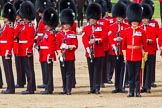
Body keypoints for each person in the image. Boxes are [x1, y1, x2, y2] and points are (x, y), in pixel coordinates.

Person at [122, 2, 146, 97]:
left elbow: (144, 45)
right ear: (131, 21)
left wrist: (145, 55)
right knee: (130, 75)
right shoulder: (126, 31)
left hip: (138, 55)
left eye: (136, 21)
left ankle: (138, 91)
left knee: (137, 75)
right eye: (133, 21)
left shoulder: (141, 31)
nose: (135, 22)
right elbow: (124, 45)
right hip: (129, 55)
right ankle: (131, 91)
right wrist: (124, 55)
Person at [82, 3, 105, 94]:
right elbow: (84, 39)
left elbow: (104, 37)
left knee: (97, 70)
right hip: (89, 52)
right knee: (91, 70)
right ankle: (92, 87)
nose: (92, 21)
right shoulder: (86, 29)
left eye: (94, 19)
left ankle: (97, 87)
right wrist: (87, 47)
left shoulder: (101, 28)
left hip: (99, 52)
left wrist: (96, 41)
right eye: (91, 19)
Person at [56, 9, 78, 95]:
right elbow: (57, 46)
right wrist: (60, 54)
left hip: (70, 56)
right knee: (63, 73)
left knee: (69, 73)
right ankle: (64, 88)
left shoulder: (72, 34)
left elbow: (75, 45)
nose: (66, 26)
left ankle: (68, 89)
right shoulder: (59, 34)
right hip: (62, 57)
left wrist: (68, 47)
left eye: (68, 24)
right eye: (65, 24)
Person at [109, 1, 129, 93]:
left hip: (123, 51)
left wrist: (122, 39)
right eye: (118, 17)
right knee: (116, 69)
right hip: (115, 50)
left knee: (123, 69)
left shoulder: (126, 26)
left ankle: (122, 86)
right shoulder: (112, 26)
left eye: (120, 17)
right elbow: (110, 37)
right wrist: (114, 43)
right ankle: (117, 86)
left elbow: (128, 37)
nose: (119, 18)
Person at [38, 7, 58, 94]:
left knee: (49, 73)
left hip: (48, 55)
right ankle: (48, 87)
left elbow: (52, 46)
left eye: (46, 24)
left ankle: (49, 88)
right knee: (46, 72)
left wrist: (50, 55)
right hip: (44, 54)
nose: (44, 26)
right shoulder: (46, 32)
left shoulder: (51, 33)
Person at [17, 0, 36, 94]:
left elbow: (30, 40)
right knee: (27, 69)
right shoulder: (24, 26)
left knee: (29, 70)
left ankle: (31, 88)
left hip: (26, 50)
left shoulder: (30, 26)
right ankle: (31, 87)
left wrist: (28, 50)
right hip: (22, 49)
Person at [35, 0, 53, 89]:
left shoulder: (43, 22)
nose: (38, 14)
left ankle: (47, 82)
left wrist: (38, 41)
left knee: (46, 65)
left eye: (40, 13)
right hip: (41, 45)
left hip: (44, 45)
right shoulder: (41, 21)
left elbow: (42, 35)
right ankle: (45, 81)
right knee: (43, 64)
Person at [140, 4, 157, 93]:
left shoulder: (152, 28)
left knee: (148, 69)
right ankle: (142, 86)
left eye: (146, 19)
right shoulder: (139, 28)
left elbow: (153, 39)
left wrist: (148, 41)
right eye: (143, 19)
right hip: (141, 52)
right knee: (141, 70)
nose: (145, 20)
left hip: (149, 51)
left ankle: (147, 86)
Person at [0, 2, 16, 94]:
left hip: (6, 51)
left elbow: (10, 41)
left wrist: (8, 52)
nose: (4, 18)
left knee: (8, 70)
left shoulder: (9, 27)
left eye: (5, 17)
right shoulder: (5, 26)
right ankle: (9, 87)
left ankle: (11, 88)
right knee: (6, 70)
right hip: (3, 50)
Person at [13, 0, 26, 88]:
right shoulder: (18, 23)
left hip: (19, 46)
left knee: (20, 65)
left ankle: (20, 82)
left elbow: (17, 34)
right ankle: (20, 81)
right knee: (18, 65)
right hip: (16, 46)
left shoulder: (20, 24)